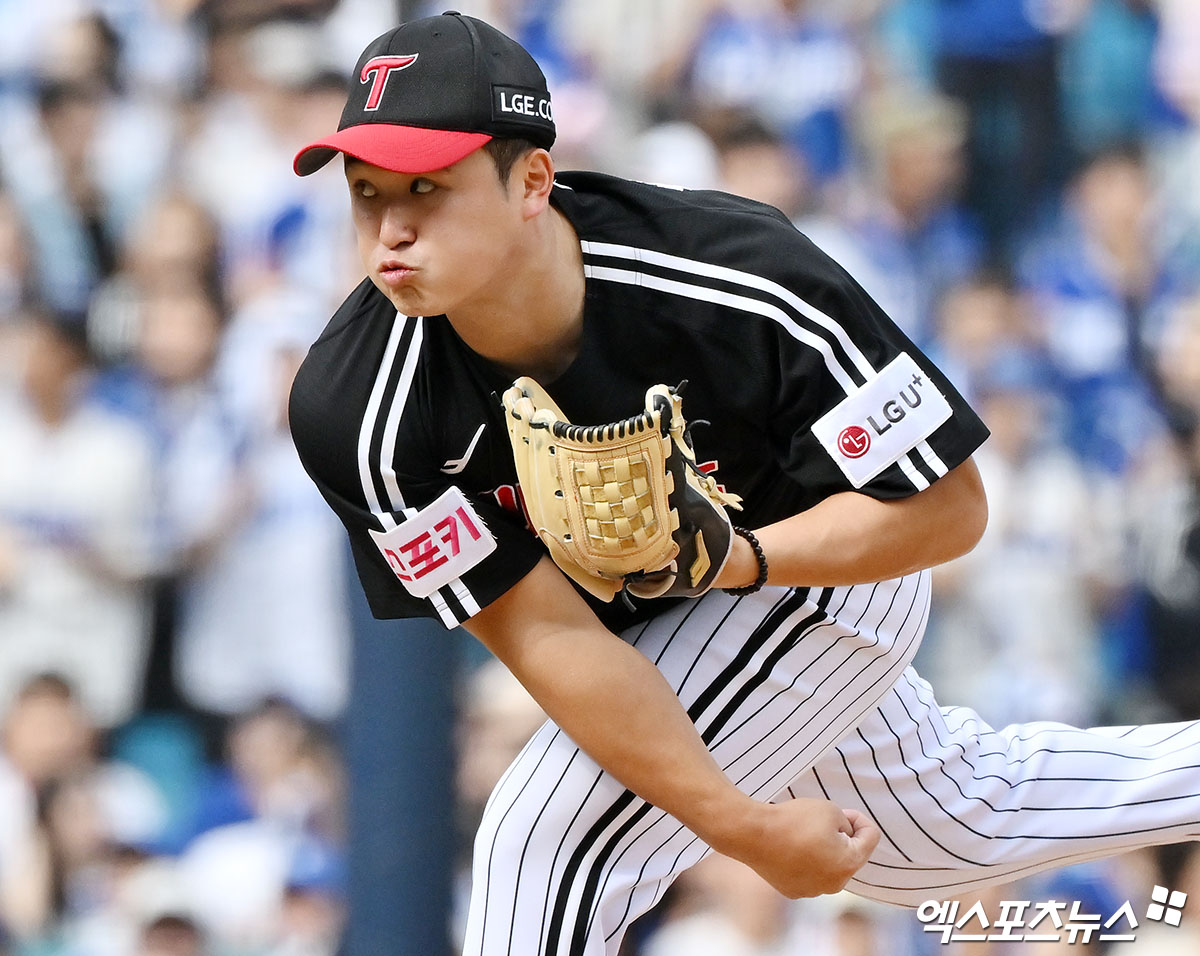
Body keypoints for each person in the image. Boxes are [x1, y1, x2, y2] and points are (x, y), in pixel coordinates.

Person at [287, 13, 1200, 956]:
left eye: (426, 187)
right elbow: (546, 635)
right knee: (942, 834)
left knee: (545, 843)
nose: (390, 228)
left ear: (531, 182)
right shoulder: (359, 408)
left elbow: (949, 506)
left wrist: (744, 558)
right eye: (366, 193)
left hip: (828, 556)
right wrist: (742, 825)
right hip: (645, 624)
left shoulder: (731, 273)